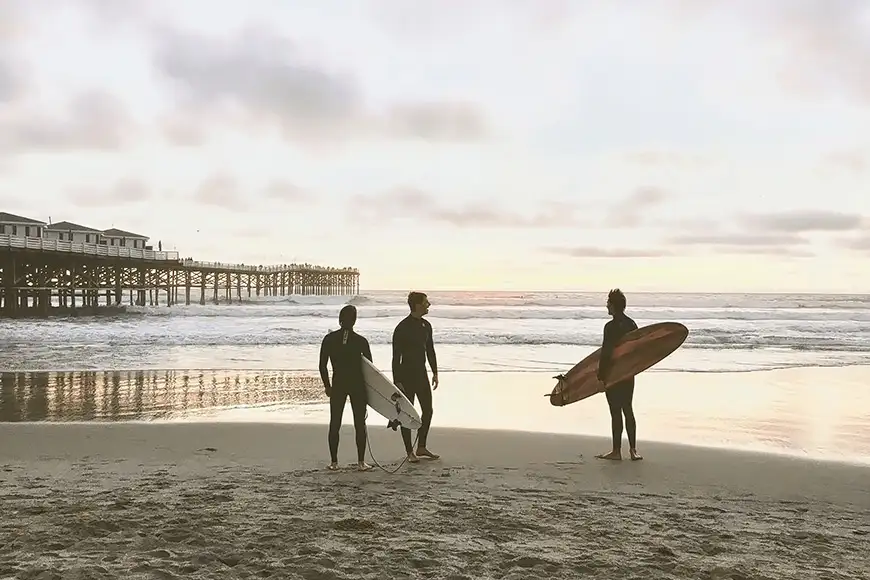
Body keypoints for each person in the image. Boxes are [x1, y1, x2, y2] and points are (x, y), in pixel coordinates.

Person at [319, 304, 373, 471]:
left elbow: (322, 366)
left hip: (338, 384)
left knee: (335, 422)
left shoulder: (329, 339)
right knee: (359, 423)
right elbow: (371, 370)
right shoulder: (361, 341)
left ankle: (334, 463)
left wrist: (327, 385)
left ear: (340, 319)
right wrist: (370, 392)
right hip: (357, 385)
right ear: (355, 320)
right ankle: (361, 462)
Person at [389, 291, 439, 463]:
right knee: (407, 414)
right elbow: (396, 357)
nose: (429, 305)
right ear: (417, 305)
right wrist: (397, 381)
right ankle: (409, 451)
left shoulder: (426, 326)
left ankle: (422, 446)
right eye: (426, 302)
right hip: (406, 376)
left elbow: (430, 350)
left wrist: (435, 372)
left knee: (428, 410)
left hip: (422, 373)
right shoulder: (402, 328)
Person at [595, 288, 643, 461]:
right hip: (628, 374)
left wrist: (601, 378)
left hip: (614, 375)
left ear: (613, 306)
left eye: (608, 302)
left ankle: (616, 451)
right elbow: (638, 350)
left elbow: (606, 354)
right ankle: (633, 450)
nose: (606, 305)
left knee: (615, 411)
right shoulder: (632, 324)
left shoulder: (610, 327)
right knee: (628, 409)